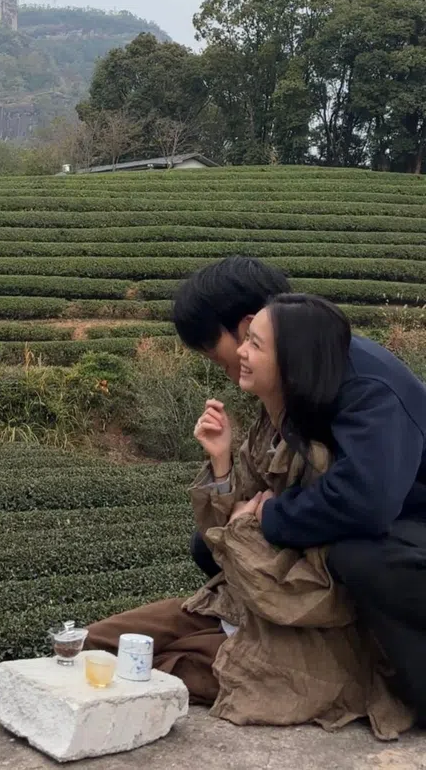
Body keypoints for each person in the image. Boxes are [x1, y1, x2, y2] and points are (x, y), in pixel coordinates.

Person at [85, 293, 413, 736]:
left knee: (157, 669)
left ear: (293, 363)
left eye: (255, 344)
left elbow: (320, 569)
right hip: (238, 603)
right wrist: (222, 466)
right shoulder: (276, 421)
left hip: (284, 627)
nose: (239, 353)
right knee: (95, 643)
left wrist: (259, 520)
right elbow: (226, 528)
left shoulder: (339, 443)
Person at [173, 256, 426, 724]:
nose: (230, 366)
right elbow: (262, 486)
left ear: (249, 329)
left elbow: (367, 501)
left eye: (220, 354)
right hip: (378, 520)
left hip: (406, 524)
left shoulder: (363, 382)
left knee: (358, 558)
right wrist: (228, 475)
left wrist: (269, 517)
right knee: (212, 547)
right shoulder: (295, 379)